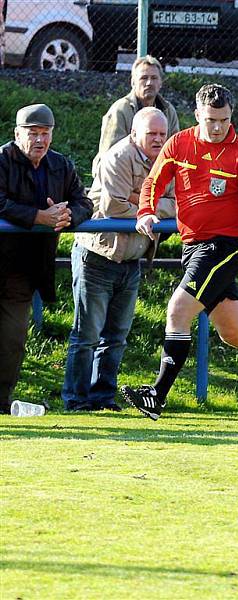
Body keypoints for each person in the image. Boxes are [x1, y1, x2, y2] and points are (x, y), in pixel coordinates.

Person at [121, 84, 238, 419]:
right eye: (211, 120)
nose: (219, 126)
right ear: (198, 116)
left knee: (178, 311)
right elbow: (154, 181)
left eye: (224, 119)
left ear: (230, 116)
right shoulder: (179, 143)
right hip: (193, 246)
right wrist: (146, 211)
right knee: (234, 332)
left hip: (223, 247)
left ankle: (157, 396)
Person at [61, 108, 176, 412]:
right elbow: (113, 206)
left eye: (162, 134)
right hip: (98, 256)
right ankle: (75, 400)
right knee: (86, 334)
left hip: (132, 260)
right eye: (152, 133)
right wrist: (151, 206)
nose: (158, 139)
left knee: (117, 337)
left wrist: (140, 201)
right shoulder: (118, 156)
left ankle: (102, 397)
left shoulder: (167, 161)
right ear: (135, 133)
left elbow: (177, 205)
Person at [0, 103, 93, 414]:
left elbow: (84, 202)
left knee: (12, 341)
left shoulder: (61, 165)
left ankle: (1, 405)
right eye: (32, 133)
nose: (39, 140)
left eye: (45, 133)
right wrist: (37, 216)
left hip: (23, 272)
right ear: (17, 134)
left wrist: (68, 215)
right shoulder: (2, 160)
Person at [93, 55, 180, 175]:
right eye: (144, 78)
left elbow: (175, 152)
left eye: (154, 78)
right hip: (120, 179)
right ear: (133, 82)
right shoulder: (120, 111)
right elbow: (110, 157)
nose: (149, 83)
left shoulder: (168, 111)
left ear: (160, 83)